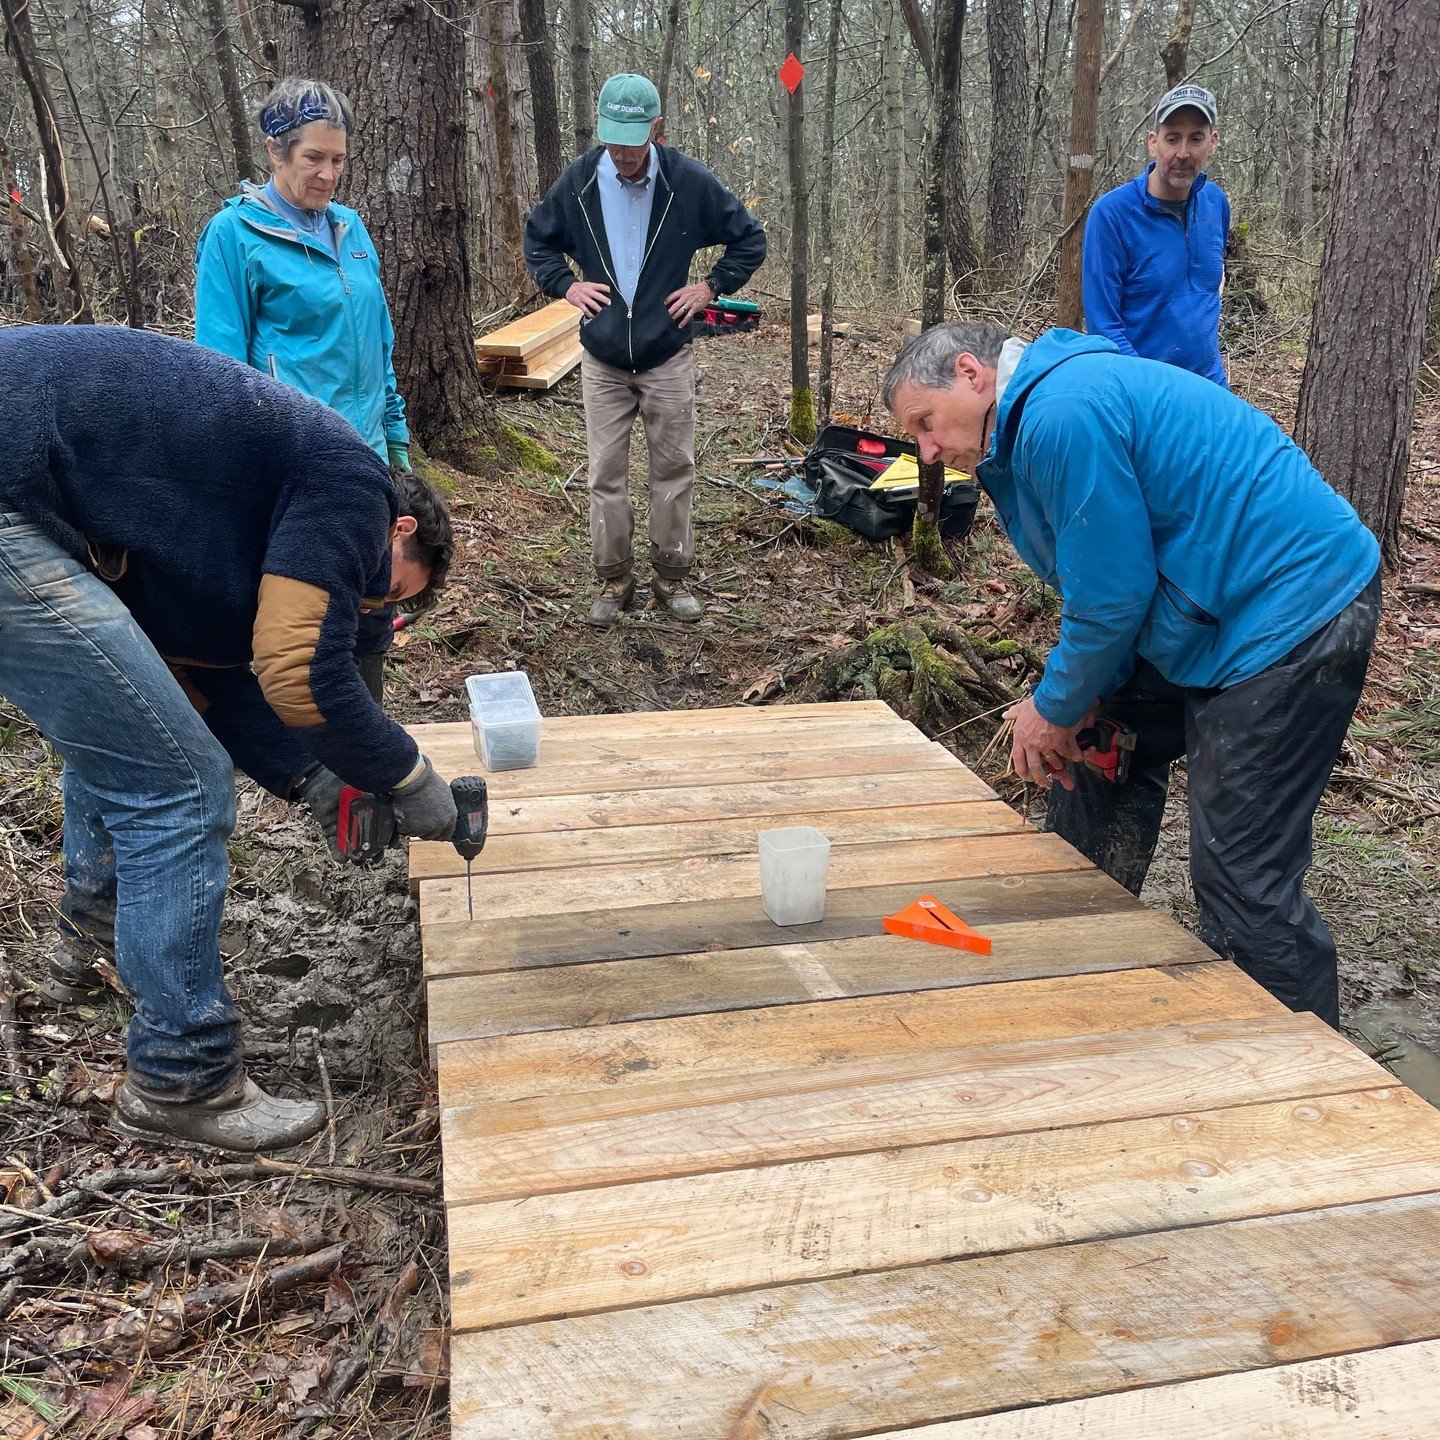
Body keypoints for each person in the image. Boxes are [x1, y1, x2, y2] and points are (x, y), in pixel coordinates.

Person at [1, 325, 458, 1153]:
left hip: (23, 485)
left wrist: (314, 778)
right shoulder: (349, 479)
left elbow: (199, 679)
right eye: (386, 590)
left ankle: (89, 939)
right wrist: (406, 774)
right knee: (178, 786)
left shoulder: (220, 532)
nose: (367, 610)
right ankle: (184, 1077)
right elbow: (295, 671)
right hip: (9, 490)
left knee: (132, 736)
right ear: (395, 529)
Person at [883, 320, 1381, 1030]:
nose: (927, 451)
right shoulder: (1025, 425)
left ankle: (1305, 1069)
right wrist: (1078, 705)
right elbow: (1109, 581)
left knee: (1240, 874)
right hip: (1206, 605)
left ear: (971, 372)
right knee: (1097, 742)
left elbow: (1112, 596)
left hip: (1293, 614)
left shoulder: (1062, 413)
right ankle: (1081, 944)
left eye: (925, 424)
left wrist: (1053, 704)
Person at [524, 72, 767, 625]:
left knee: (674, 470)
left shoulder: (687, 182)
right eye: (613, 141)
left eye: (633, 142)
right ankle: (613, 582)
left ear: (656, 129)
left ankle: (670, 579)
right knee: (605, 475)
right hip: (603, 359)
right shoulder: (581, 182)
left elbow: (749, 238)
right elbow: (538, 240)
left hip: (668, 356)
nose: (623, 154)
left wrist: (711, 286)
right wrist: (566, 285)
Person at [194, 76, 409, 699]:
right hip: (294, 464)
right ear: (275, 151)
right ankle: (312, 764)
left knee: (368, 612)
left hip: (365, 455)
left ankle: (369, 755)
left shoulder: (350, 228)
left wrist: (395, 438)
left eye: (338, 160)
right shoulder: (234, 237)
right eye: (313, 157)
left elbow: (379, 344)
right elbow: (220, 373)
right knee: (311, 620)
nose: (327, 174)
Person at [1081, 84, 1230, 386]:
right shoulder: (1112, 215)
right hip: (1143, 395)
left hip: (1209, 388)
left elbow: (1207, 296)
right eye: (1172, 139)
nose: (1183, 153)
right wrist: (1149, 393)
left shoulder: (1216, 204)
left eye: (1196, 138)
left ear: (1212, 143)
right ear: (1153, 143)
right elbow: (1103, 326)